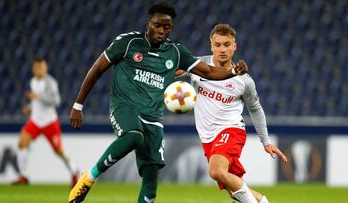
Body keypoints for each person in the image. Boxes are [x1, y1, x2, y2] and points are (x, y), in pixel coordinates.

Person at [68, 2, 248, 203]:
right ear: (148, 23)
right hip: (125, 106)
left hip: (153, 117)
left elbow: (210, 72)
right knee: (134, 136)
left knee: (151, 176)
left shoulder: (176, 52)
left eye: (167, 27)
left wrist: (233, 72)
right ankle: (89, 178)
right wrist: (78, 105)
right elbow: (97, 69)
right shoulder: (127, 42)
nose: (162, 30)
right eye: (157, 25)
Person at [188, 24, 288, 203]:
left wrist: (266, 142)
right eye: (217, 45)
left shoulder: (244, 80)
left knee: (216, 171)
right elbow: (168, 71)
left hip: (231, 130)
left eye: (227, 44)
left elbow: (256, 109)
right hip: (207, 138)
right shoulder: (197, 66)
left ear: (235, 46)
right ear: (211, 45)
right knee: (233, 187)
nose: (222, 49)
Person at [13, 58, 79, 187]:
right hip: (35, 121)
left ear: (45, 68)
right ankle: (23, 176)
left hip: (49, 122)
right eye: (37, 67)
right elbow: (36, 102)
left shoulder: (50, 83)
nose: (39, 70)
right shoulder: (32, 82)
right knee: (22, 143)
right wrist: (30, 107)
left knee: (59, 151)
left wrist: (38, 97)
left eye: (42, 67)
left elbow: (56, 101)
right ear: (34, 69)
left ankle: (75, 171)